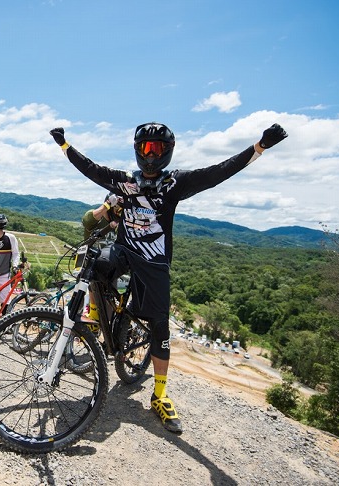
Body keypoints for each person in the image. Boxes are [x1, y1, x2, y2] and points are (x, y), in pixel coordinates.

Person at [50, 122, 288, 434]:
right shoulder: (125, 183)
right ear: (137, 151)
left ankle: (160, 395)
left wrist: (260, 147)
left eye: (157, 149)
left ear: (167, 152)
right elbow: (92, 169)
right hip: (123, 251)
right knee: (94, 265)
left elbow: (220, 171)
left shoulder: (175, 183)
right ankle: (102, 320)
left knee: (160, 324)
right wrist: (65, 146)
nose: (151, 155)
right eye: (146, 148)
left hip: (154, 262)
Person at [81, 193, 122, 322]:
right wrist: (107, 205)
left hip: (110, 270)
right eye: (117, 209)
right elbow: (87, 220)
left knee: (108, 314)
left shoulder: (117, 224)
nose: (119, 213)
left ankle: (105, 335)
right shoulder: (97, 219)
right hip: (91, 268)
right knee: (79, 303)